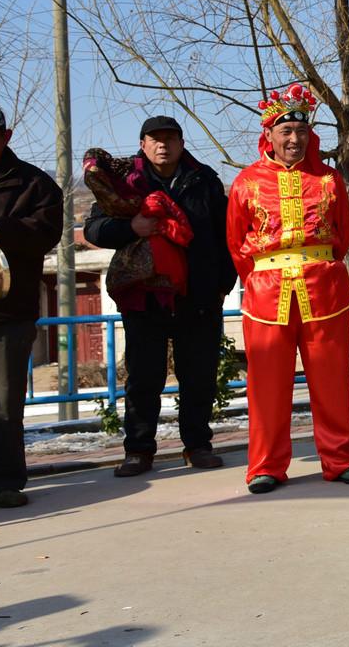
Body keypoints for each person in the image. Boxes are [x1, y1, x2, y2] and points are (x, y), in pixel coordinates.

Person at [226, 84, 349, 494]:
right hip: (266, 294)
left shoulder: (328, 180)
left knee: (332, 382)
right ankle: (266, 466)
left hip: (323, 290)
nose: (294, 139)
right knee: (267, 385)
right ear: (268, 134)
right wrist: (258, 278)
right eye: (285, 131)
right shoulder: (246, 183)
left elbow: (342, 234)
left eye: (301, 132)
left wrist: (318, 264)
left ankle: (342, 460)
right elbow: (237, 243)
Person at [84, 116, 238, 476]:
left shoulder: (204, 181)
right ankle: (138, 450)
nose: (162, 145)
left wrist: (221, 286)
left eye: (170, 139)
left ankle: (197, 445)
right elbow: (93, 228)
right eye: (155, 139)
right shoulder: (123, 181)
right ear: (142, 144)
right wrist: (129, 227)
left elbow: (228, 234)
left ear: (182, 144)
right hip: (145, 295)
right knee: (143, 377)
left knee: (198, 375)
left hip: (198, 295)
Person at [0, 101, 63, 508]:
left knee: (4, 404)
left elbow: (47, 232)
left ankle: (3, 481)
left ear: (5, 138)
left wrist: (3, 231)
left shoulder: (34, 184)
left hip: (6, 313)